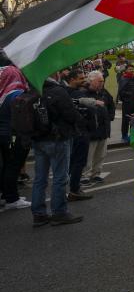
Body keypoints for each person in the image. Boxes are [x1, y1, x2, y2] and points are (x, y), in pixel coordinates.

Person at [31, 73, 87, 226]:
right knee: (60, 177)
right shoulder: (57, 90)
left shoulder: (32, 90)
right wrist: (80, 120)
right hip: (57, 139)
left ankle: (39, 214)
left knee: (39, 178)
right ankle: (59, 212)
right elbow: (70, 114)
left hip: (38, 139)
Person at [0, 66, 31, 211]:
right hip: (13, 136)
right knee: (13, 166)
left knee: (6, 166)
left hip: (4, 135)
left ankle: (5, 195)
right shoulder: (15, 94)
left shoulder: (2, 93)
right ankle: (12, 198)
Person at [80, 71, 115, 186]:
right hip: (90, 129)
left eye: (102, 81)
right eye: (99, 81)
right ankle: (85, 175)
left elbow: (111, 105)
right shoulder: (84, 92)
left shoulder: (104, 92)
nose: (102, 83)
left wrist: (109, 117)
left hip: (103, 129)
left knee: (100, 154)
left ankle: (96, 174)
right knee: (88, 155)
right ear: (91, 81)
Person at [66, 68, 95, 202]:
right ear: (72, 80)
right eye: (81, 78)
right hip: (79, 131)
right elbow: (85, 112)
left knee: (74, 161)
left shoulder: (71, 92)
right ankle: (74, 190)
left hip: (76, 131)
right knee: (79, 161)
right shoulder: (74, 94)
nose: (84, 80)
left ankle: (73, 187)